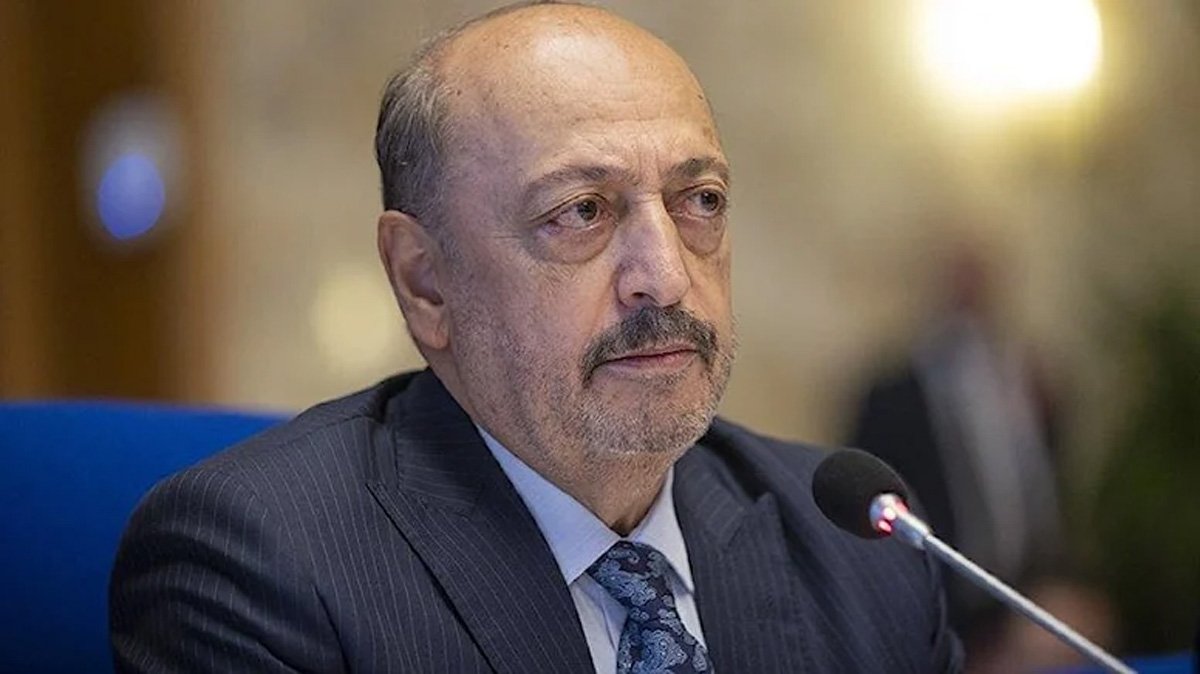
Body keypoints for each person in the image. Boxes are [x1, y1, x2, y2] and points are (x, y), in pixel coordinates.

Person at [109, 2, 962, 672]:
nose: (665, 277)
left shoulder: (863, 550)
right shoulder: (256, 566)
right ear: (424, 281)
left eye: (699, 200)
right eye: (581, 212)